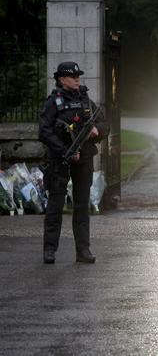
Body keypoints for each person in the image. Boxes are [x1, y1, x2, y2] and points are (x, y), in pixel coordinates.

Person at [38, 62, 109, 264]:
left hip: (84, 159)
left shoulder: (85, 99)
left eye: (78, 75)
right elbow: (44, 131)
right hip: (60, 160)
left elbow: (104, 124)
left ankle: (83, 250)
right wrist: (65, 152)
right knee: (55, 205)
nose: (78, 78)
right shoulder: (54, 102)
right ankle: (49, 250)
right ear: (62, 79)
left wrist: (98, 131)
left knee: (81, 206)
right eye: (73, 76)